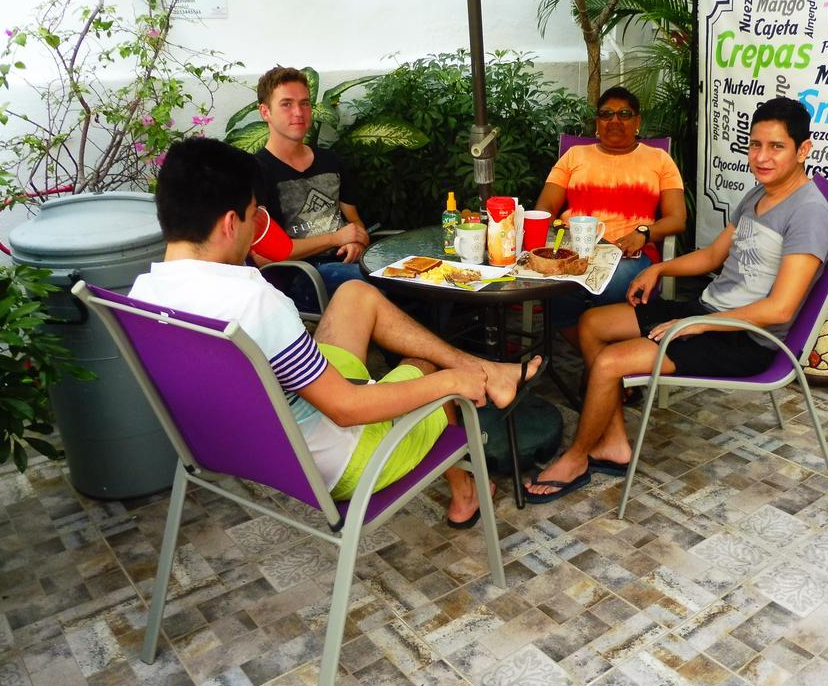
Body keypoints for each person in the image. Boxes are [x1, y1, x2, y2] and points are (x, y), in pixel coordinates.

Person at [130, 137, 541, 527]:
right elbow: (347, 408)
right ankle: (467, 488)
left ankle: (487, 370)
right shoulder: (252, 302)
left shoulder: (139, 296)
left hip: (248, 449)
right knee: (427, 368)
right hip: (336, 460)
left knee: (354, 294)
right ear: (229, 223)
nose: (258, 225)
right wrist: (455, 380)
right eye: (256, 214)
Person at [524, 97, 828, 502]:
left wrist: (696, 325)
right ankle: (614, 441)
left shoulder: (809, 214)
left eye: (776, 147)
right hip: (709, 311)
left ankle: (577, 457)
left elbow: (780, 308)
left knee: (609, 362)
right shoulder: (759, 195)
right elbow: (711, 256)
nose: (761, 157)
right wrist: (658, 269)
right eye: (755, 145)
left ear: (803, 150)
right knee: (592, 324)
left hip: (745, 338)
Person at [534, 86, 686, 339]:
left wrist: (644, 232)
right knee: (555, 282)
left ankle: (601, 355)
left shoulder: (659, 159)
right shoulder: (575, 156)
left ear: (637, 122)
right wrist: (545, 242)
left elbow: (676, 218)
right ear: (597, 122)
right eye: (606, 114)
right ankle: (596, 357)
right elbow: (546, 207)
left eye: (624, 114)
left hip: (628, 251)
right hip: (574, 244)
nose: (614, 120)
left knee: (617, 282)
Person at [253, 66, 369, 311]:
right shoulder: (255, 172)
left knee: (415, 282)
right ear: (265, 112)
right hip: (301, 276)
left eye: (305, 103)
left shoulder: (330, 161)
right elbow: (264, 257)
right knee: (377, 289)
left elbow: (355, 223)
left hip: (348, 263)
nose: (299, 112)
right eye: (286, 104)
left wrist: (356, 241)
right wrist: (336, 238)